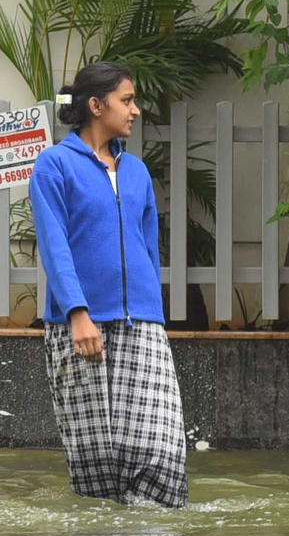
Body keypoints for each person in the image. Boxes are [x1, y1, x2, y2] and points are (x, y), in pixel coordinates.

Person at [29, 61, 188, 507]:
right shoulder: (54, 165)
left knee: (161, 451)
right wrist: (78, 314)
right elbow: (54, 246)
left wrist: (151, 311)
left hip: (143, 327)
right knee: (97, 464)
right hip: (79, 328)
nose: (136, 110)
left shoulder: (136, 172)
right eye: (127, 100)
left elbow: (149, 247)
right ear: (96, 106)